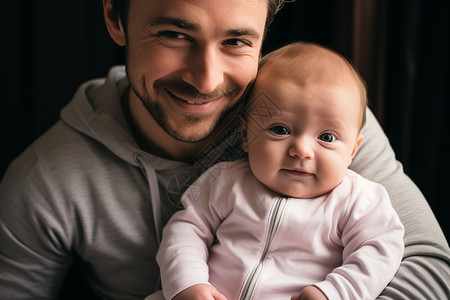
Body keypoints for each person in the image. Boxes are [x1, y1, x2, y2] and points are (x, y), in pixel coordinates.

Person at [0, 0, 448, 299]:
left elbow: (429, 271)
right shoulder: (45, 180)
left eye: (236, 41)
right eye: (175, 34)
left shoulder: (322, 123)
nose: (206, 79)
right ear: (116, 18)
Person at [146, 42, 405, 300]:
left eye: (326, 136)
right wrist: (187, 284)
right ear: (245, 135)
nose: (302, 150)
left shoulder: (357, 201)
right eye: (280, 130)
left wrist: (333, 293)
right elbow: (185, 231)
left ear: (353, 150)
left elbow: (380, 249)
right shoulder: (226, 180)